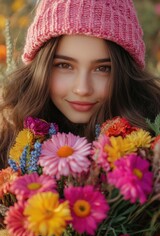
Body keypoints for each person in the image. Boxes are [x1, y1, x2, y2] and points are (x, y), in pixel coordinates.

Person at [0, 0, 160, 169]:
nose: (82, 89)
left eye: (103, 68)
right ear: (41, 67)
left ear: (125, 73)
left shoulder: (152, 151)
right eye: (64, 65)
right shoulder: (7, 145)